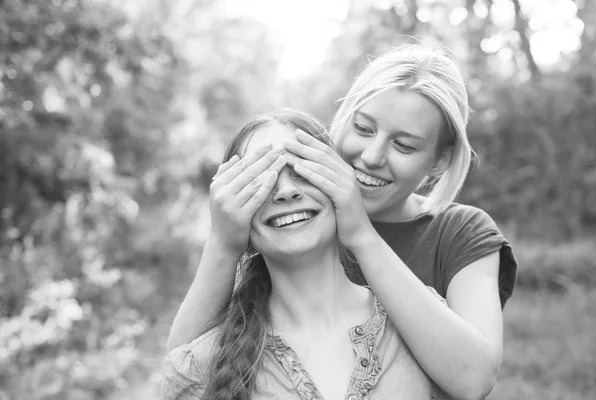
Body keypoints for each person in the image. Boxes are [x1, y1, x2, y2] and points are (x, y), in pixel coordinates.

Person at [167, 43, 517, 400]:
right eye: (363, 128)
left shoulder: (460, 232)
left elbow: (473, 378)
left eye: (405, 146)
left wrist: (361, 235)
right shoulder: (292, 234)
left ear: (440, 162)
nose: (371, 156)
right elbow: (183, 374)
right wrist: (223, 244)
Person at [161, 109, 438, 400]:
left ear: (343, 188)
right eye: (260, 180)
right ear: (235, 218)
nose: (286, 191)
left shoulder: (421, 320)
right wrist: (221, 242)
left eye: (303, 170)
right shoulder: (203, 362)